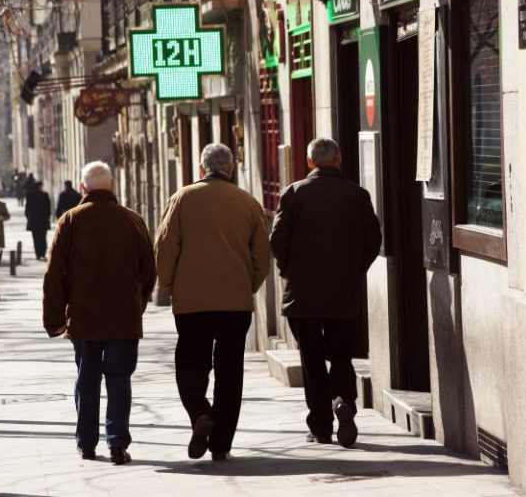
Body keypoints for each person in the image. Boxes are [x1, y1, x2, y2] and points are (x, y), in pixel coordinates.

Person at [155, 143, 270, 461]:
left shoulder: (182, 199)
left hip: (192, 303)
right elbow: (262, 257)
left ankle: (200, 413)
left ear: (201, 168)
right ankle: (221, 443)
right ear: (231, 169)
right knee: (230, 371)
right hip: (235, 303)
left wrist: (170, 286)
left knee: (190, 365)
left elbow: (165, 248)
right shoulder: (247, 202)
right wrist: (247, 286)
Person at [270, 137, 382, 448]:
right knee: (341, 354)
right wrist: (355, 269)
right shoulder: (357, 195)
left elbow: (277, 240)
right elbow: (373, 240)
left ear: (310, 162)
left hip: (302, 294)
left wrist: (288, 270)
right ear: (339, 159)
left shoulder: (294, 193)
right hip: (342, 291)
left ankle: (320, 425)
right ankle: (344, 400)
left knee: (312, 359)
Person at [43, 161, 156, 465]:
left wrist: (55, 319)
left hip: (85, 317)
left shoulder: (70, 221)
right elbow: (149, 270)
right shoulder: (133, 220)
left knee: (87, 378)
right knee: (119, 378)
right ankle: (117, 443)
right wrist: (137, 303)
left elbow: (54, 274)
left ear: (83, 187)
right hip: (123, 317)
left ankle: (86, 443)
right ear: (112, 185)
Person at [25, 180, 51, 260]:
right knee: (43, 237)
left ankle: (38, 254)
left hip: (33, 220)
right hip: (43, 220)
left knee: (36, 238)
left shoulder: (30, 195)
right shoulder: (45, 195)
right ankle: (43, 253)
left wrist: (29, 218)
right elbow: (48, 208)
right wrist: (47, 217)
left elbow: (27, 209)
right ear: (40, 186)